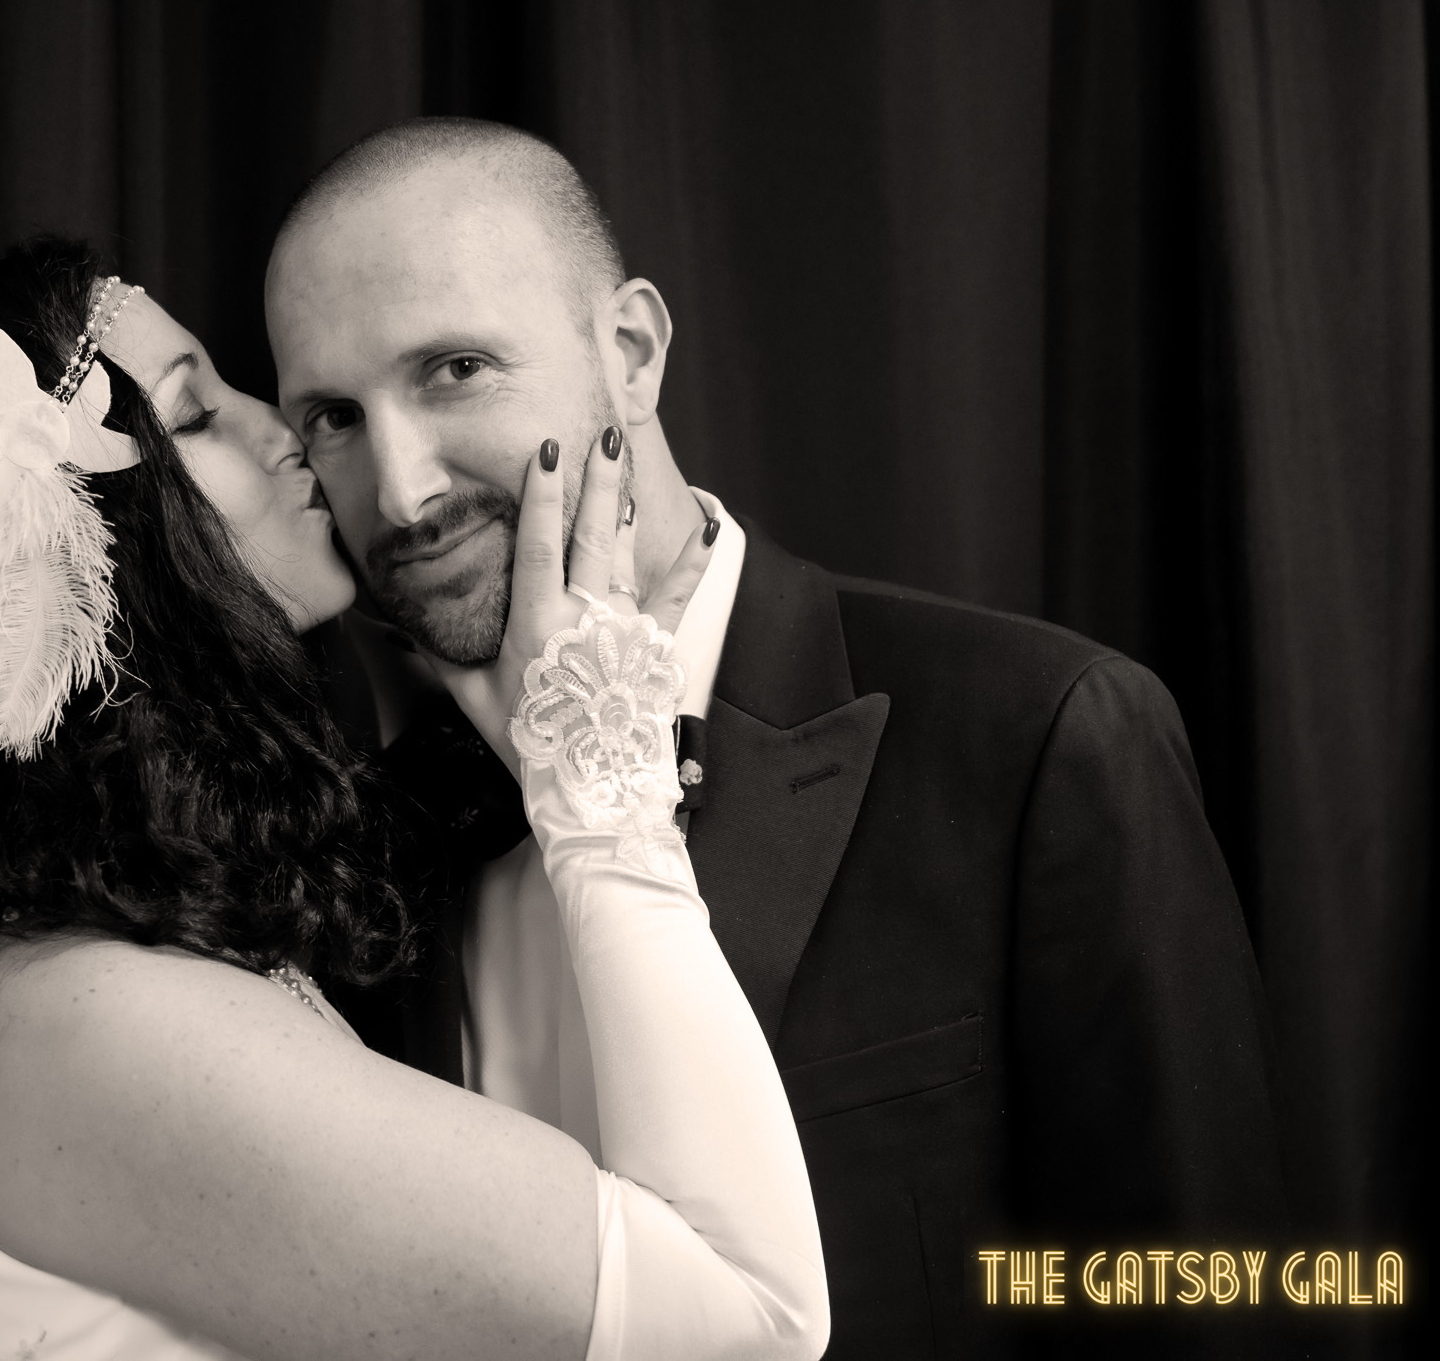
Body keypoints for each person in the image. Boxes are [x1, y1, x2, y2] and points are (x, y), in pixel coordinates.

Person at [266, 118, 1287, 1357]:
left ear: (629, 353)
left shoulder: (1042, 732)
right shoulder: (347, 839)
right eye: (332, 416)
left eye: (453, 370)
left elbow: (1207, 1299)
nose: (401, 490)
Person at [0, 236, 829, 1360]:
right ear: (78, 548)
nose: (280, 429)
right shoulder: (98, 1024)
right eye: (197, 414)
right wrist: (598, 788)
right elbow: (750, 1322)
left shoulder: (63, 957)